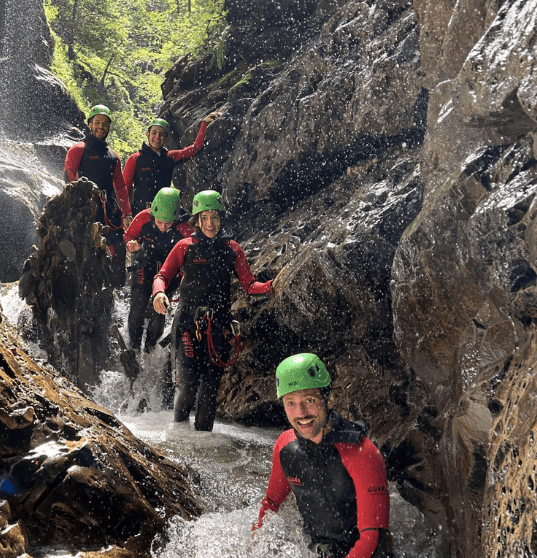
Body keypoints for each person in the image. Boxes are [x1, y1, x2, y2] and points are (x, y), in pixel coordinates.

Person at [152, 190, 273, 431]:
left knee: (209, 389)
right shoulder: (184, 246)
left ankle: (204, 443)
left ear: (221, 219)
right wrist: (159, 293)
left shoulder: (232, 249)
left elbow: (249, 286)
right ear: (196, 220)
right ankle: (178, 437)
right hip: (187, 323)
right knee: (186, 386)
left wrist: (273, 286)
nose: (210, 223)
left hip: (219, 327)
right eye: (204, 217)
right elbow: (162, 276)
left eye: (215, 218)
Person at [253, 353, 393, 558]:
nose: (301, 413)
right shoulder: (285, 446)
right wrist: (255, 547)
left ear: (330, 399)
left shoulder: (362, 453)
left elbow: (371, 538)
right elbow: (271, 504)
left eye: (309, 400)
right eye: (290, 403)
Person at [64, 104, 132, 286]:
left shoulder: (113, 157)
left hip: (109, 211)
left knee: (118, 249)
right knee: (86, 252)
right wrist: (75, 204)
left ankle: (116, 290)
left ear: (109, 127)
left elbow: (120, 187)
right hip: (85, 209)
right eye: (97, 122)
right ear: (90, 125)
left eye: (105, 123)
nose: (101, 127)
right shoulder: (78, 149)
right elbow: (69, 174)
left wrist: (127, 214)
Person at [123, 187, 194, 355]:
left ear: (176, 217)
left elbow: (190, 260)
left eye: (167, 223)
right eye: (159, 221)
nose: (162, 227)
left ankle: (148, 351)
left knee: (158, 313)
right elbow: (128, 236)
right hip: (145, 264)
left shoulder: (185, 228)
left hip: (169, 272)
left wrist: (185, 278)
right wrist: (133, 245)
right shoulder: (143, 217)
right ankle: (134, 348)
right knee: (138, 305)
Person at [122, 112, 220, 213]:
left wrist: (204, 123)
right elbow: (124, 189)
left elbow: (195, 148)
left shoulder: (170, 157)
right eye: (154, 133)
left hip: (164, 211)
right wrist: (126, 214)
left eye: (161, 134)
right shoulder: (135, 159)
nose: (157, 137)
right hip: (140, 211)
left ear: (166, 139)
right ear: (148, 135)